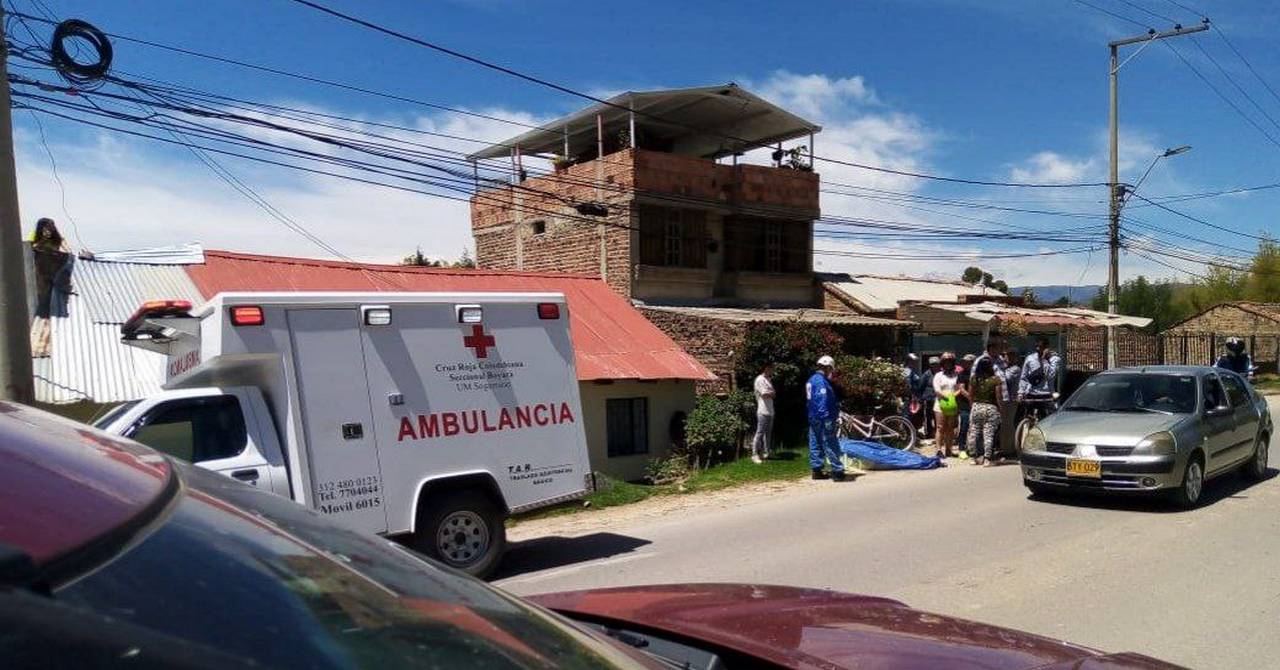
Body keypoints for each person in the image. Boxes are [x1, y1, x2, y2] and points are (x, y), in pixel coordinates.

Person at [806, 355, 845, 481]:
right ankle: (837, 470)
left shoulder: (811, 380)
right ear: (827, 367)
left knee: (815, 442)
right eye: (830, 369)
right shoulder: (821, 381)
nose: (830, 372)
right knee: (830, 442)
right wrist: (826, 418)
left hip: (813, 416)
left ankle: (816, 470)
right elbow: (822, 401)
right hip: (824, 417)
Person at [962, 358, 1007, 466]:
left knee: (974, 433)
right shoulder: (996, 380)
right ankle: (987, 459)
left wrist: (973, 407)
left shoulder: (974, 379)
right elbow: (998, 397)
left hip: (976, 406)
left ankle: (973, 458)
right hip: (990, 408)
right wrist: (1001, 410)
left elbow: (970, 395)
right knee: (988, 434)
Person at [932, 352, 961, 458]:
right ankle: (939, 450)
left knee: (950, 428)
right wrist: (947, 397)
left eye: (950, 362)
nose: (948, 364)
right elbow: (937, 390)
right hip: (940, 404)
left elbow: (959, 389)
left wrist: (953, 397)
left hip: (953, 404)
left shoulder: (957, 375)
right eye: (946, 362)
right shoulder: (938, 375)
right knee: (940, 427)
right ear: (942, 363)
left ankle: (949, 450)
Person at [751, 363, 776, 464]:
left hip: (770, 410)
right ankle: (754, 454)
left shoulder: (768, 380)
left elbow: (774, 393)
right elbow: (764, 394)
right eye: (771, 368)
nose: (772, 370)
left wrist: (771, 393)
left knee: (768, 433)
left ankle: (766, 452)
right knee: (760, 432)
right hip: (762, 410)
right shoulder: (759, 379)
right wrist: (771, 393)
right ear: (766, 368)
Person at [956, 353, 976, 457]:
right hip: (964, 405)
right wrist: (970, 398)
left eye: (967, 362)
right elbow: (961, 389)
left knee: (976, 427)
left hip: (977, 403)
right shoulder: (962, 374)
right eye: (964, 362)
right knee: (964, 425)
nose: (965, 364)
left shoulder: (978, 374)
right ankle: (961, 448)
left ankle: (974, 448)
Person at [920, 356, 940, 438]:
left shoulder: (941, 373)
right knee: (928, 417)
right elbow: (921, 386)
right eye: (933, 364)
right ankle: (928, 433)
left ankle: (937, 433)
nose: (935, 366)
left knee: (937, 417)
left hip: (938, 399)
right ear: (930, 365)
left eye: (936, 364)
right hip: (928, 399)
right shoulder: (926, 374)